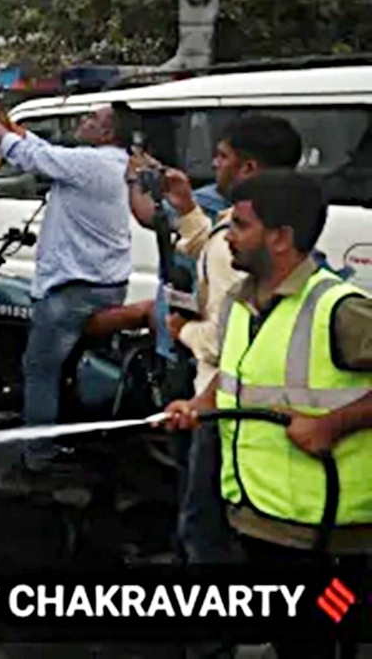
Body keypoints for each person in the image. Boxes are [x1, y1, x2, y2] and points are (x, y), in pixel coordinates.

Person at [160, 171, 371, 659]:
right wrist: (198, 406)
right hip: (262, 516)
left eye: (240, 226)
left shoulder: (341, 310)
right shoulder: (242, 301)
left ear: (281, 238)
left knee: (322, 630)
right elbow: (236, 371)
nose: (228, 236)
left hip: (324, 530)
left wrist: (330, 424)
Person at [125, 115, 303, 565]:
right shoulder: (266, 228)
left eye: (222, 157)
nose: (214, 164)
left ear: (247, 169)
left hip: (217, 396)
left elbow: (228, 338)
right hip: (233, 398)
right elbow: (211, 244)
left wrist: (184, 331)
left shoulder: (237, 247)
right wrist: (186, 207)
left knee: (202, 520)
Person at [0, 99, 132, 472]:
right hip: (106, 283)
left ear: (107, 131)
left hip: (74, 288)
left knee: (39, 368)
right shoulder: (110, 163)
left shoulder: (90, 164)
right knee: (65, 363)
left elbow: (23, 154)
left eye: (93, 118)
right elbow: (42, 150)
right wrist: (7, 118)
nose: (84, 121)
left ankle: (38, 454)